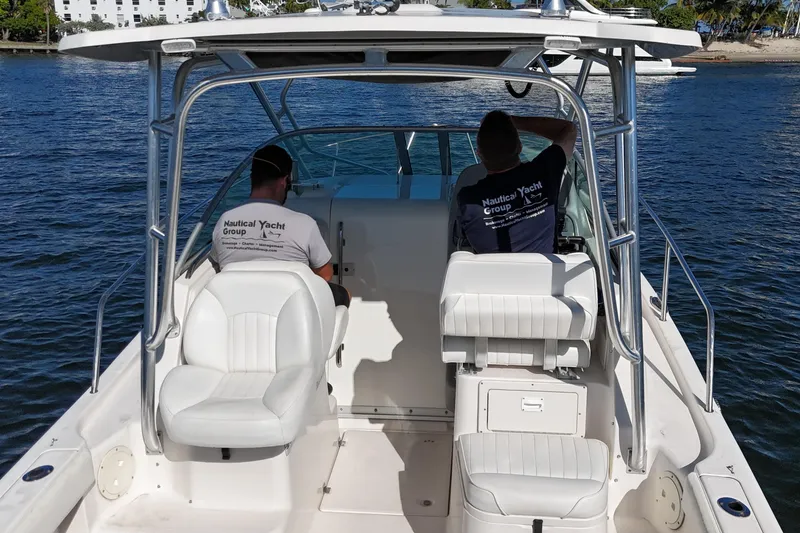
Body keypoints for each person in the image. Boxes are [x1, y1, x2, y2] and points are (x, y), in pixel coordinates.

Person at [210, 145, 350, 308]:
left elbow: (218, 262)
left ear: (252, 179)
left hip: (239, 307)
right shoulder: (304, 224)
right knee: (343, 294)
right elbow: (325, 275)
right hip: (291, 309)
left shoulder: (225, 220)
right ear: (284, 182)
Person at [456, 110, 577, 254]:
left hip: (492, 276)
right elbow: (568, 130)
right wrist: (514, 121)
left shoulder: (467, 199)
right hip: (544, 275)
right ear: (520, 147)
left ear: (480, 155)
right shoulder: (545, 171)